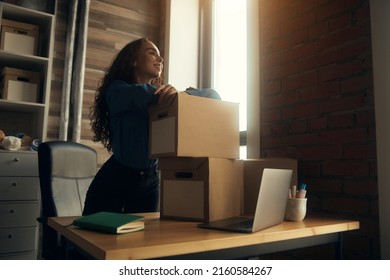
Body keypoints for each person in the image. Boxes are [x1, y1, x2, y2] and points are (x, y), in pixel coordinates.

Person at [83, 38, 219, 215]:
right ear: (133, 60)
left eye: (161, 55)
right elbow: (144, 94)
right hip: (115, 180)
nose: (160, 59)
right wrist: (182, 96)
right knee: (95, 239)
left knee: (143, 240)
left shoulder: (158, 99)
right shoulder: (117, 91)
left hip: (150, 180)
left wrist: (180, 95)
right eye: (152, 52)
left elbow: (213, 96)